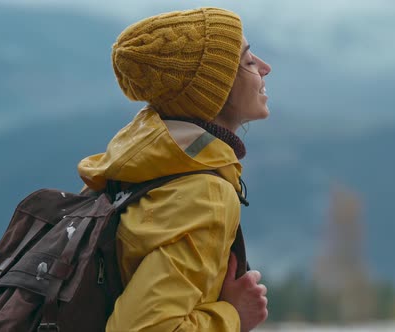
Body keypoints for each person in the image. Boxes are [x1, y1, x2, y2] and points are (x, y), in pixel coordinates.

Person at [76, 7, 272, 332]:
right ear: (215, 89)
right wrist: (234, 315)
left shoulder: (137, 166)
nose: (266, 68)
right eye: (249, 62)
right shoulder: (204, 194)